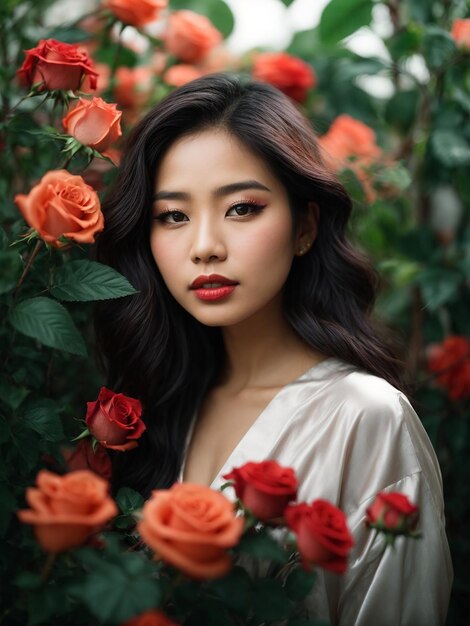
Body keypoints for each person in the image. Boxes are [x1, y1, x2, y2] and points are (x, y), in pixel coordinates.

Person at [93, 73, 452, 625]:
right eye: (173, 216)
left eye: (241, 208)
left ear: (305, 226)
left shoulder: (365, 418)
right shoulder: (157, 400)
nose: (205, 247)